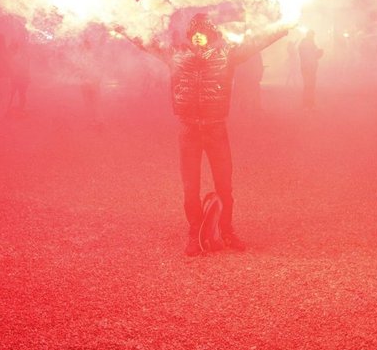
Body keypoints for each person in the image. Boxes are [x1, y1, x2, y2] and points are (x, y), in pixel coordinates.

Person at [120, 13, 289, 256]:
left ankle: (227, 231)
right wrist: (119, 24)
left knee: (225, 186)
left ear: (211, 36)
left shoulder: (226, 54)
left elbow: (256, 43)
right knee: (190, 188)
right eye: (194, 33)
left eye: (204, 33)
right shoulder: (175, 54)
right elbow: (146, 42)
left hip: (215, 127)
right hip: (188, 129)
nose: (198, 36)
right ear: (190, 36)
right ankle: (194, 232)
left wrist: (283, 25)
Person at [298, 30, 323, 109]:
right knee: (309, 86)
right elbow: (310, 56)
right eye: (312, 35)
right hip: (308, 67)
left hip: (308, 67)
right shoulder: (308, 44)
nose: (313, 37)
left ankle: (309, 103)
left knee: (309, 86)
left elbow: (311, 56)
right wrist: (319, 54)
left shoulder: (305, 43)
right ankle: (308, 104)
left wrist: (318, 54)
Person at [7, 40, 30, 116]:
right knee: (14, 94)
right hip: (19, 78)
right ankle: (9, 108)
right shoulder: (14, 56)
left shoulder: (19, 56)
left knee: (18, 94)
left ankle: (18, 108)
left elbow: (24, 67)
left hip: (20, 78)